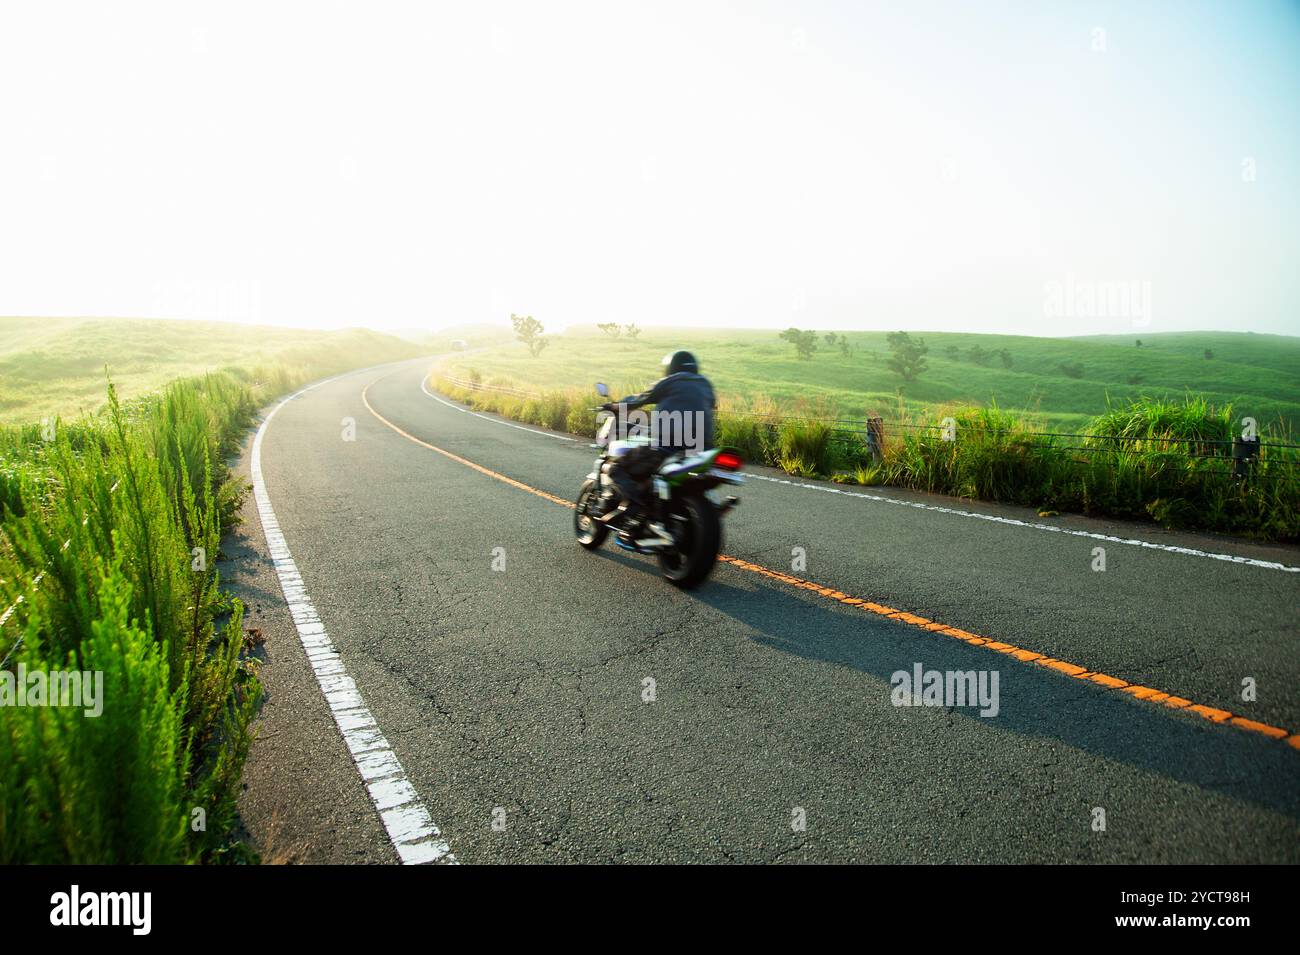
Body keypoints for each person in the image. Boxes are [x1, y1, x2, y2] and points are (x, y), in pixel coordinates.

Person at [599, 350, 716, 542]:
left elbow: (639, 399)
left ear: (670, 368)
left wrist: (615, 406)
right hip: (702, 449)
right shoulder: (705, 384)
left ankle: (635, 505)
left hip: (668, 446)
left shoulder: (670, 381)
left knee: (616, 468)